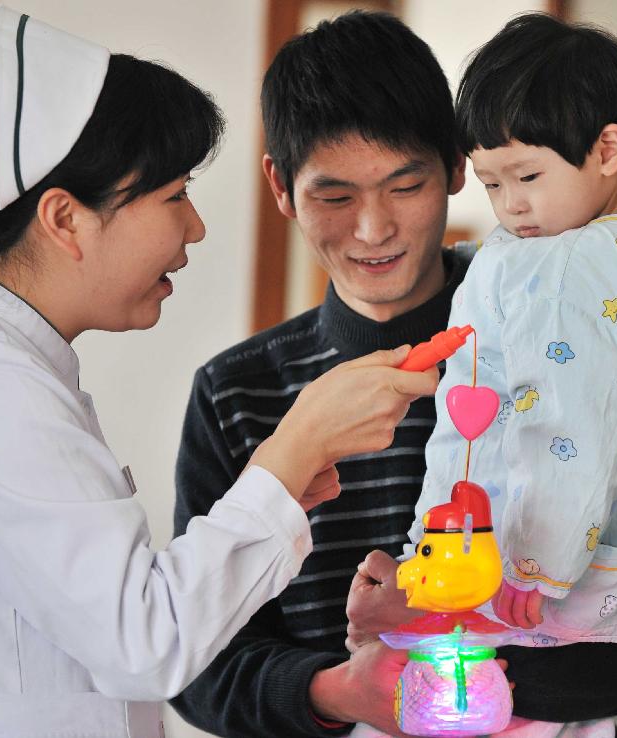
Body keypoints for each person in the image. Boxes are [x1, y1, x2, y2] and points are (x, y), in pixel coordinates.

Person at [0, 7, 438, 737]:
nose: (194, 227)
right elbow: (150, 642)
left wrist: (286, 474)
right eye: (173, 196)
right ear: (66, 220)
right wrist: (293, 453)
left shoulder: (2, 373)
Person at [349, 12, 617, 737]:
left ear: (607, 148)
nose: (513, 208)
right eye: (493, 184)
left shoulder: (573, 263)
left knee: (437, 693)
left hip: (566, 610)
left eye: (528, 175)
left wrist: (532, 571)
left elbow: (571, 432)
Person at [169, 11, 469, 738]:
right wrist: (338, 691)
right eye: (334, 197)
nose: (373, 230)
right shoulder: (237, 393)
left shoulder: (548, 343)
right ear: (280, 186)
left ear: (458, 165)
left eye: (406, 186)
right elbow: (196, 661)